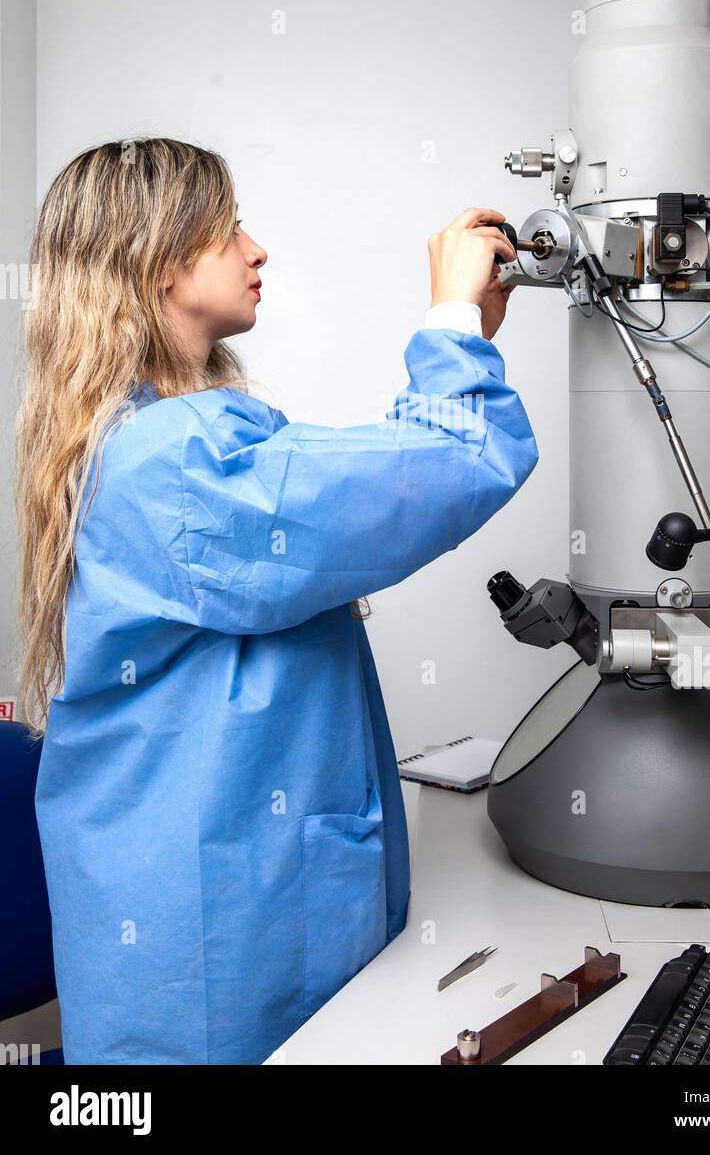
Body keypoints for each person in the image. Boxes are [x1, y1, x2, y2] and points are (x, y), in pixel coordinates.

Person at [16, 137, 538, 1064]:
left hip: (219, 894)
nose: (256, 251)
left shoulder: (177, 444)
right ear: (158, 258)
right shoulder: (169, 465)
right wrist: (450, 318)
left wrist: (470, 337)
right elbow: (444, 463)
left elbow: (367, 486)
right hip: (207, 945)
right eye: (228, 230)